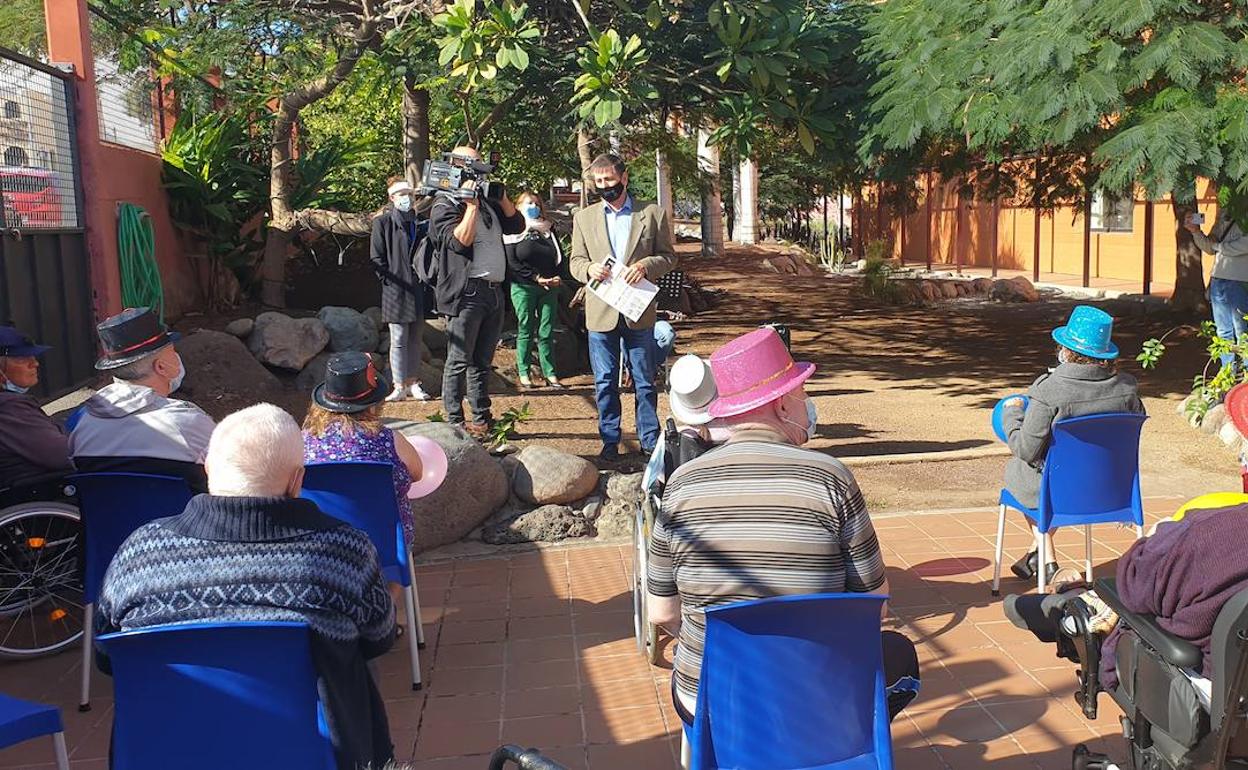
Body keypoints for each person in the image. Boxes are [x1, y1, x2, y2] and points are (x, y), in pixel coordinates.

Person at [95, 403, 396, 770]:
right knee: (352, 657)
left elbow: (107, 657)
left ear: (207, 468)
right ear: (297, 480)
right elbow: (379, 637)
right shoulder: (344, 550)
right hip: (307, 752)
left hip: (166, 753)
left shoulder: (138, 552)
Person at [647, 328, 920, 723]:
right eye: (802, 392)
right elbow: (872, 606)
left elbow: (661, 613)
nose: (808, 404)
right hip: (814, 697)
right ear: (780, 405)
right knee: (898, 653)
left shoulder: (680, 485)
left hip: (709, 700)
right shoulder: (831, 478)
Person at [1004, 501, 1248, 693]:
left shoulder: (1215, 535)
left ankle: (1075, 608)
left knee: (1131, 598)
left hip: (1218, 689)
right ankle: (1074, 604)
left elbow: (1135, 587)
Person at [1000, 305, 1145, 582]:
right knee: (1050, 477)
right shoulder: (1127, 388)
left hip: (1059, 492)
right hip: (1113, 490)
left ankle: (1047, 559)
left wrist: (1011, 415)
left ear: (1066, 351)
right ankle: (1041, 552)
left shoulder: (1050, 389)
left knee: (1020, 472)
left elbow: (1026, 450)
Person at [569, 153, 678, 461]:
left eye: (610, 181)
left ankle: (648, 439)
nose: (605, 186)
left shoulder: (652, 214)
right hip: (601, 312)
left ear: (624, 178)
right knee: (604, 381)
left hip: (638, 311)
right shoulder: (584, 217)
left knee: (644, 381)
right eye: (599, 182)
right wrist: (589, 268)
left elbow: (670, 257)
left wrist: (645, 265)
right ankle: (609, 440)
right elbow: (575, 262)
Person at [303, 352, 424, 605]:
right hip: (382, 542)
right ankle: (382, 611)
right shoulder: (389, 440)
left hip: (317, 544)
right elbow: (417, 473)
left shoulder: (301, 444)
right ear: (373, 404)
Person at [428, 147, 525, 437]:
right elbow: (459, 242)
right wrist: (470, 206)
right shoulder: (444, 203)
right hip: (466, 292)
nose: (475, 168)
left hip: (494, 291)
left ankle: (482, 419)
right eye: (468, 163)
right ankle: (454, 423)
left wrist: (500, 196)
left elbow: (517, 225)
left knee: (482, 362)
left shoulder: (488, 202)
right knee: (458, 360)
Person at [69, 307, 216, 492]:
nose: (177, 357)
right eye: (173, 351)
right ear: (161, 367)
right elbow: (232, 468)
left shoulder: (80, 422)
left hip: (107, 519)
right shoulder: (185, 422)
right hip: (178, 519)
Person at [369, 175, 432, 402]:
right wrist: (390, 280)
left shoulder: (420, 222)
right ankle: (398, 385)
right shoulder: (383, 223)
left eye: (409, 194)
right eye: (401, 194)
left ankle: (414, 382)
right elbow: (377, 258)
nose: (406, 198)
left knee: (416, 337)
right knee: (398, 339)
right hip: (395, 289)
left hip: (418, 287)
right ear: (392, 197)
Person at [0, 326, 73, 491]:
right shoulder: (10, 409)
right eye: (21, 358)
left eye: (32, 356)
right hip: (40, 491)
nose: (35, 363)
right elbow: (63, 455)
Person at [504, 191, 564, 388]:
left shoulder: (548, 228)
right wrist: (536, 278)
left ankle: (551, 373)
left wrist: (556, 277)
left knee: (546, 331)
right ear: (518, 206)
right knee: (526, 329)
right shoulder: (512, 230)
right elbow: (512, 261)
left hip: (550, 286)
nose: (534, 206)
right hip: (524, 286)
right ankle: (524, 372)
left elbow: (559, 255)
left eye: (537, 203)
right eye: (529, 203)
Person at [1187, 208, 1248, 371]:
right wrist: (1196, 232)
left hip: (1239, 280)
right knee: (1223, 331)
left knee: (1242, 329)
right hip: (1218, 279)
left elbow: (1243, 245)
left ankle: (1246, 375)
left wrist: (1218, 246)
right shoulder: (1224, 213)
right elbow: (1209, 248)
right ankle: (1228, 372)